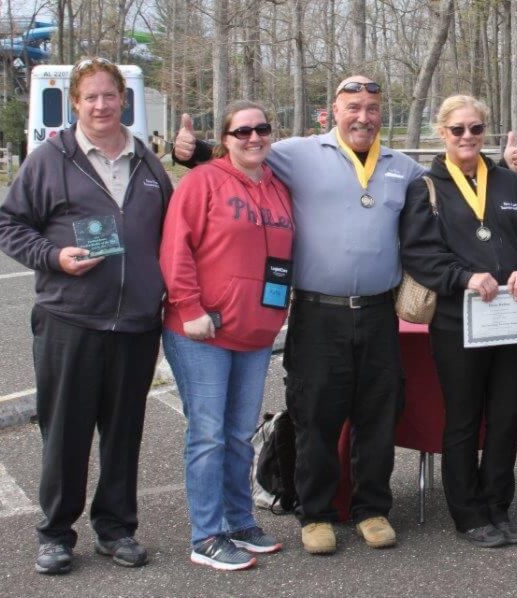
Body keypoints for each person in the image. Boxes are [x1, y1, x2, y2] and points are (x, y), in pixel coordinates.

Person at [173, 76, 517, 555]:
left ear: (382, 113)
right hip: (318, 310)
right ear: (332, 110)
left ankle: (372, 508)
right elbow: (242, 154)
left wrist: (504, 167)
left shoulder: (403, 167)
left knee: (379, 413)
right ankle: (315, 512)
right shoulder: (297, 153)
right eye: (353, 106)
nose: (363, 115)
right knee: (314, 414)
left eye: (372, 107)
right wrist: (190, 153)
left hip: (380, 311)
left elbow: (459, 184)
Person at [0, 57, 173, 575]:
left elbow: (170, 237)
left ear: (124, 100)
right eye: (90, 96)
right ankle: (54, 534)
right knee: (66, 432)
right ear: (75, 102)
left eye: (109, 95)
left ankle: (116, 529)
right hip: (69, 321)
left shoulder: (146, 162)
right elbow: (10, 227)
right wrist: (53, 258)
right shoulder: (51, 158)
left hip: (135, 325)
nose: (101, 105)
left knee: (123, 433)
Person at [400, 95, 517, 548]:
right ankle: (468, 513)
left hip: (511, 321)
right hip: (457, 323)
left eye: (476, 129)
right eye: (458, 130)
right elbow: (420, 256)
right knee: (464, 419)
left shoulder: (509, 184)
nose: (468, 137)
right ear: (441, 133)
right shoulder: (425, 188)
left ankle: (498, 505)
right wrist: (464, 277)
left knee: (506, 417)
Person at [160, 100, 293, 570]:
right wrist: (188, 307)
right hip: (203, 331)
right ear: (226, 139)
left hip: (255, 333)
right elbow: (176, 248)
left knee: (239, 434)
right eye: (242, 132)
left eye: (262, 128)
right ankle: (207, 535)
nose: (254, 137)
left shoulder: (278, 187)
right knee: (209, 435)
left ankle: (239, 520)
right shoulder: (203, 181)